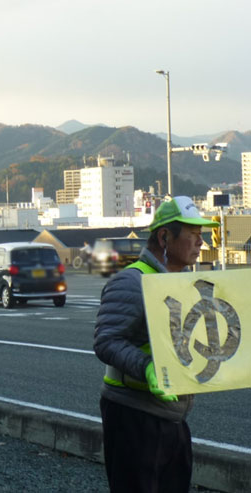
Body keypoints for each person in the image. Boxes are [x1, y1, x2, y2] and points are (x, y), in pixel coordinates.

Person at [94, 196, 219, 493]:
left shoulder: (182, 283)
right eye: (193, 235)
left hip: (173, 416)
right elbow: (106, 340)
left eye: (201, 235)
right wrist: (148, 368)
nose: (200, 243)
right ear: (164, 237)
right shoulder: (132, 281)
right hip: (133, 415)